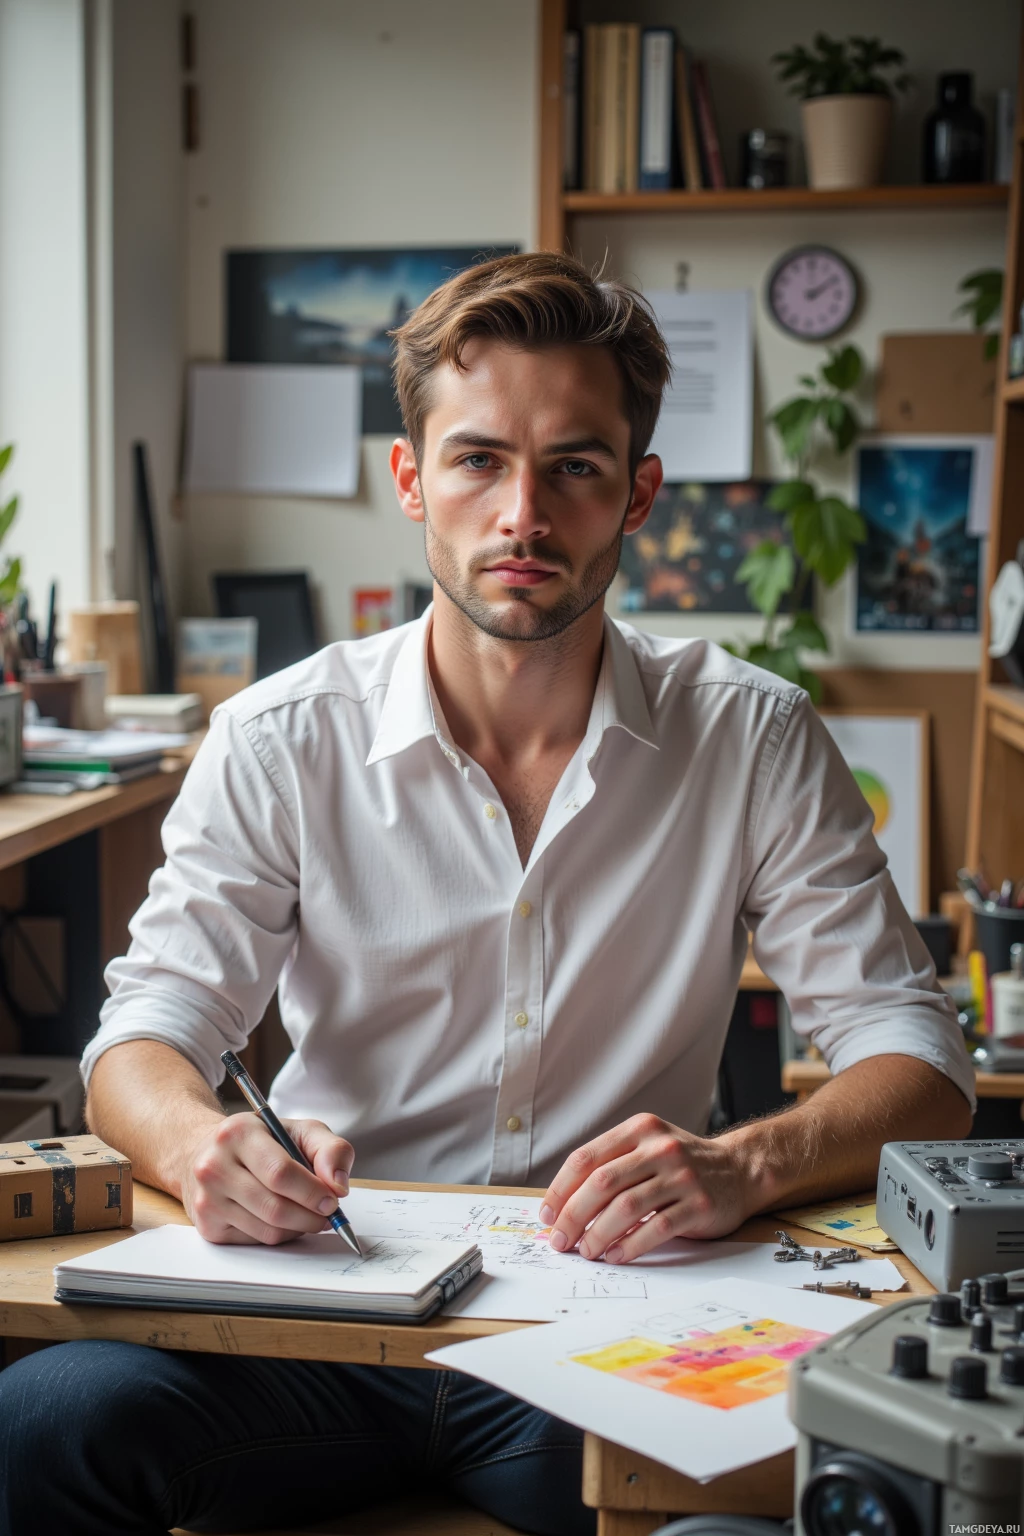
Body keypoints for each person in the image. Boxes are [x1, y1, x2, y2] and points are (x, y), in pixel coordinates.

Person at [0, 252, 973, 1536]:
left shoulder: (750, 735)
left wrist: (746, 1163)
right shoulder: (279, 736)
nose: (523, 513)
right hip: (316, 1306)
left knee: (787, 1505)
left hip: (608, 1332)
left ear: (636, 496)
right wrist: (198, 1146)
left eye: (573, 465)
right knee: (42, 1427)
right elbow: (146, 1034)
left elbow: (920, 1056)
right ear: (412, 481)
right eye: (476, 461)